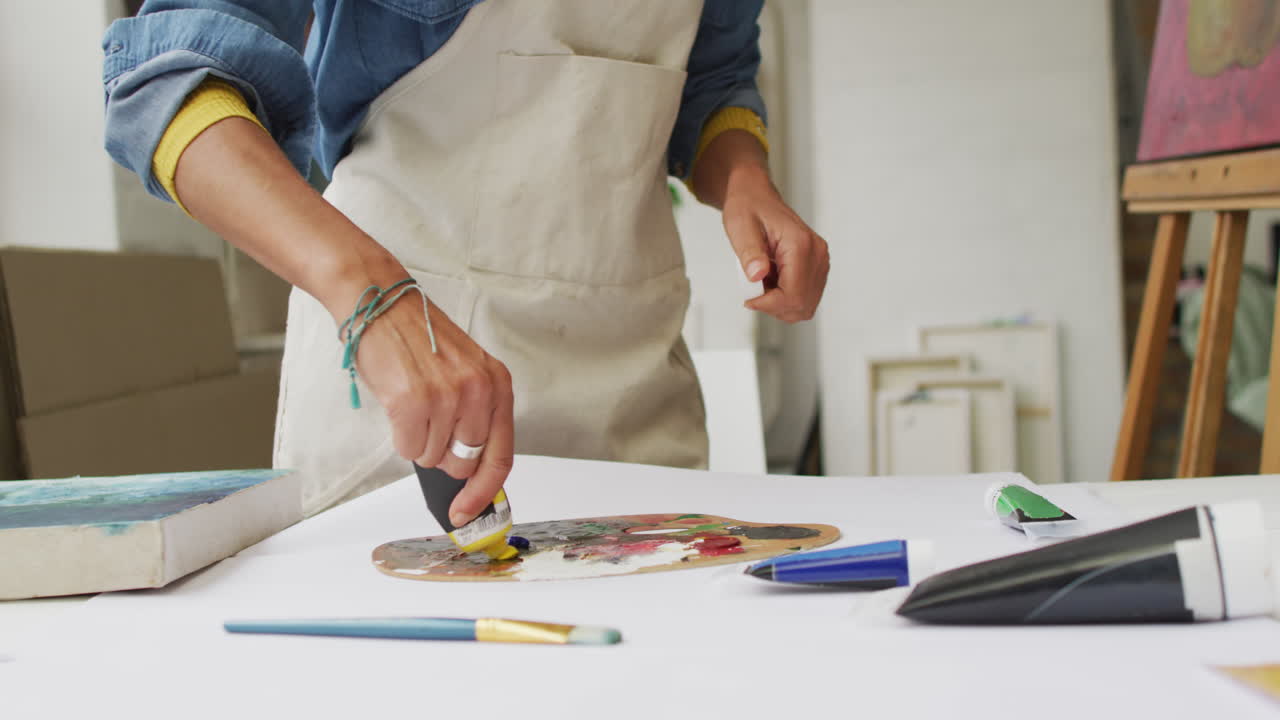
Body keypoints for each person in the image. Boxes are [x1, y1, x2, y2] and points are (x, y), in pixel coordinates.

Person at [102, 0, 829, 523]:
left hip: (631, 384)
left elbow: (714, 79)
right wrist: (370, 293)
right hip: (408, 383)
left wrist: (745, 180)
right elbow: (170, 83)